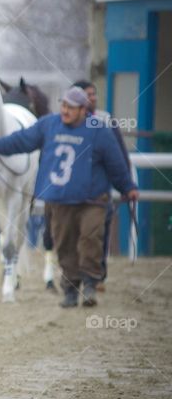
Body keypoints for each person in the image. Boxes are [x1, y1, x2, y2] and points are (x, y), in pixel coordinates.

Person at [0, 86, 138, 308]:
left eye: (71, 107)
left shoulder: (99, 130)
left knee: (90, 239)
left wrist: (127, 187)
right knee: (64, 245)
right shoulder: (49, 124)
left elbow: (115, 163)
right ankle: (71, 289)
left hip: (92, 198)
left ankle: (90, 283)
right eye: (63, 105)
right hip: (59, 198)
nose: (65, 111)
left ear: (84, 109)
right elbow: (22, 140)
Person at [72, 79, 133, 287]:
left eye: (94, 94)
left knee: (99, 233)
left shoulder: (105, 120)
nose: (93, 98)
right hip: (72, 190)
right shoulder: (67, 121)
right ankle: (78, 275)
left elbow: (120, 155)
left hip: (100, 188)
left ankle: (97, 275)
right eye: (88, 95)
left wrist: (127, 184)